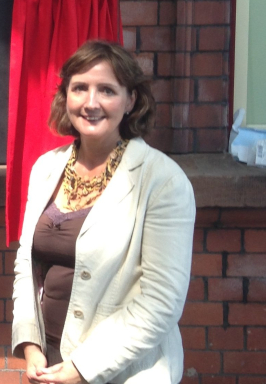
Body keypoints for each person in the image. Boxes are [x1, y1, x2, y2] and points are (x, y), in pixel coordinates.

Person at [11, 40, 196, 384]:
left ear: (131, 100)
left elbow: (161, 301)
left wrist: (83, 368)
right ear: (66, 96)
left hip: (123, 371)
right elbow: (26, 264)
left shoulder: (163, 181)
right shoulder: (46, 168)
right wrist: (31, 344)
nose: (91, 102)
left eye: (107, 90)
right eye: (80, 88)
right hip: (50, 363)